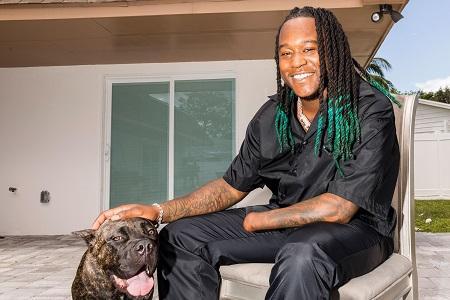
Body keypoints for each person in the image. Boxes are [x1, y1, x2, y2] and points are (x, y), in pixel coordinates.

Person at [93, 6, 400, 299]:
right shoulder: (271, 117)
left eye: (310, 49)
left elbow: (340, 208)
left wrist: (262, 221)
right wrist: (158, 210)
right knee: (179, 237)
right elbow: (229, 187)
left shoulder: (370, 109)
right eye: (286, 53)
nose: (297, 62)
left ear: (334, 51)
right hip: (285, 224)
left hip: (356, 231)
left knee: (303, 255)